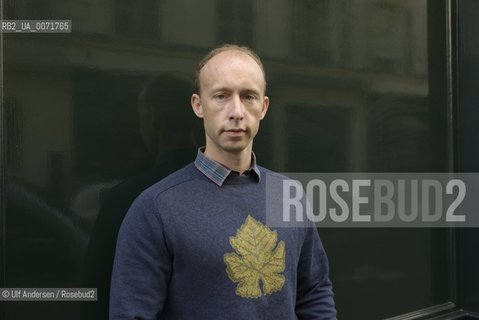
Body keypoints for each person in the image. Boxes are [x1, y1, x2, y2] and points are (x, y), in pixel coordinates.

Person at [109, 44, 337, 319]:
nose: (237, 111)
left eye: (249, 96)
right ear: (198, 105)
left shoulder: (287, 195)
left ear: (263, 107)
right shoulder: (156, 208)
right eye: (221, 96)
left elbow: (314, 293)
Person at [82, 72, 200, 320]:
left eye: (140, 117)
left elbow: (98, 296)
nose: (139, 128)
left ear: (154, 118)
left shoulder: (124, 200)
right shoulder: (235, 193)